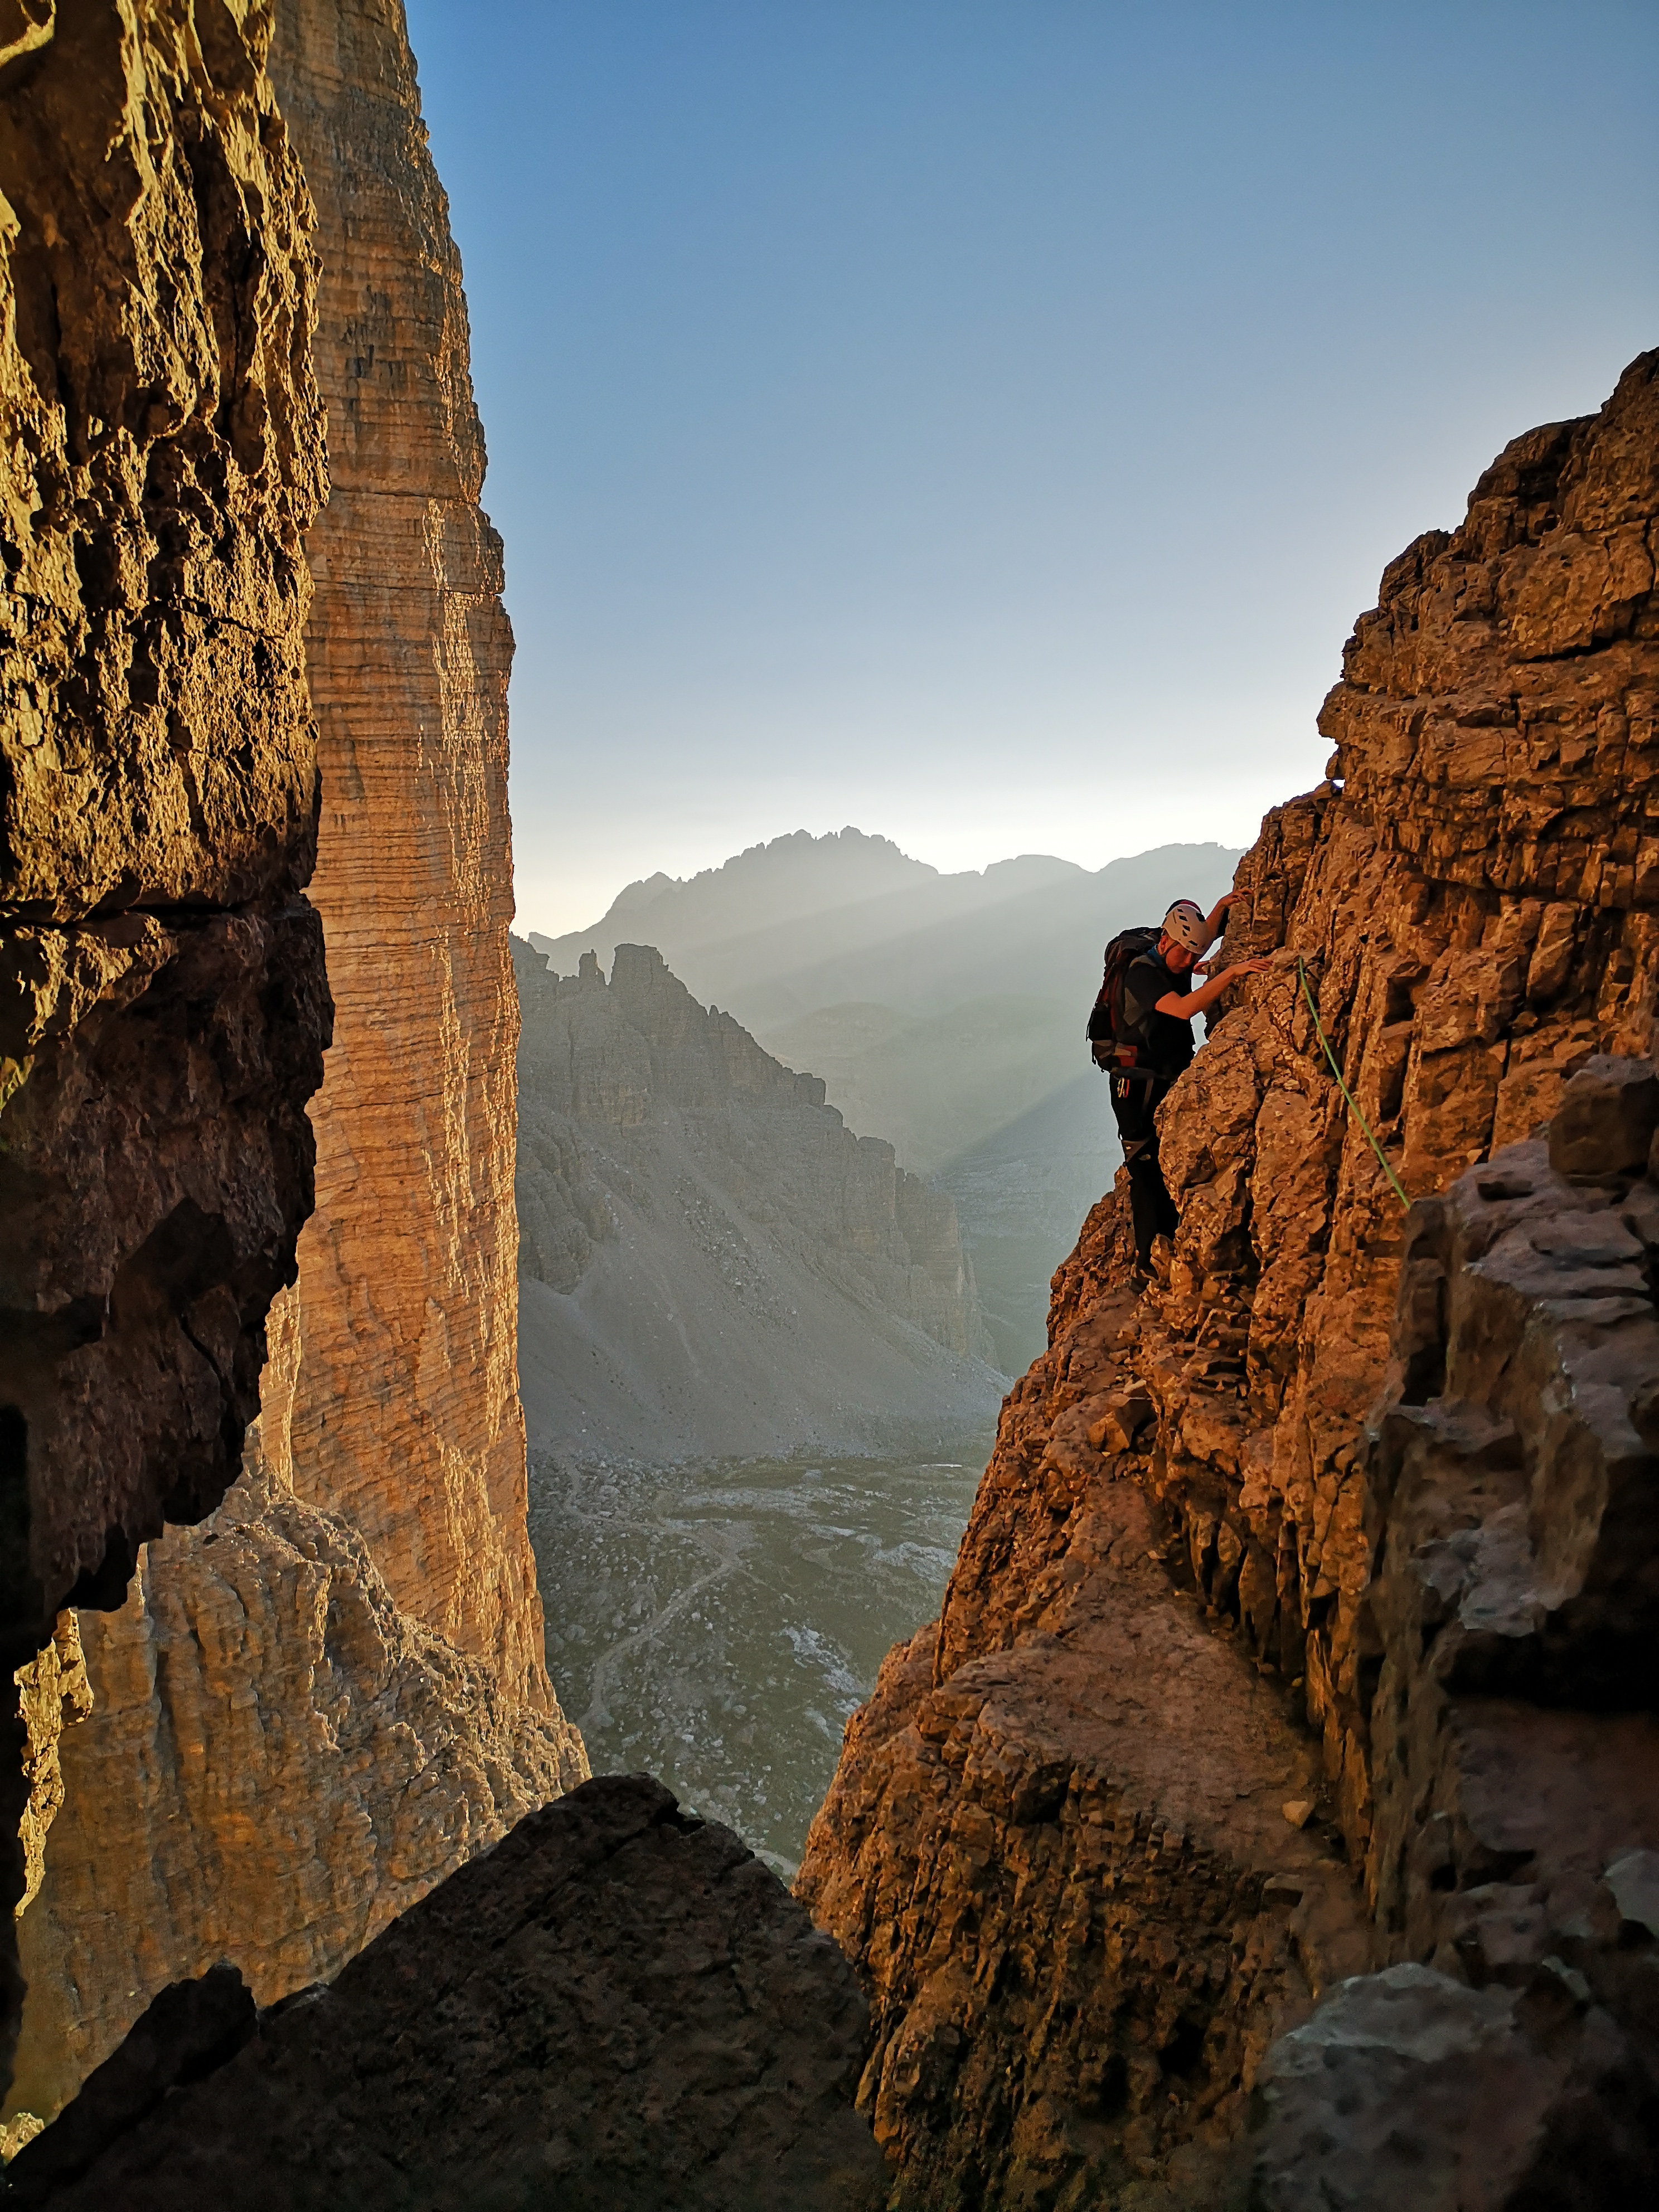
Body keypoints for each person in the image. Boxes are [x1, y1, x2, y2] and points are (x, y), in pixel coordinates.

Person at [1109, 895, 1270, 1273]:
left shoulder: (1177, 954)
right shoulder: (1142, 973)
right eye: (1183, 953)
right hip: (1135, 1085)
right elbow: (1183, 1010)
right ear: (1164, 941)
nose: (1187, 962)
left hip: (1166, 1074)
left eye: (1191, 955)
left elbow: (1205, 935)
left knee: (1168, 1157)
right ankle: (1147, 1263)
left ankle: (1171, 1239)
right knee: (1145, 1169)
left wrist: (1221, 906)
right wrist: (1231, 973)